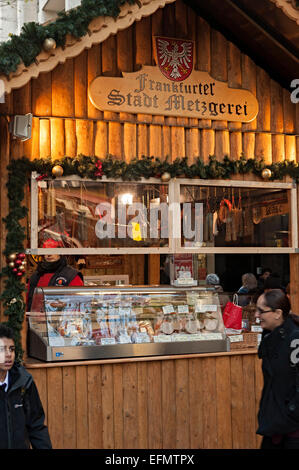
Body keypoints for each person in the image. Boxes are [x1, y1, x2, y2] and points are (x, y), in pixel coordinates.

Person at [255, 289, 299, 449]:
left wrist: (292, 411)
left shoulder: (295, 339)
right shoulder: (269, 337)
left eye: (261, 310)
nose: (256, 315)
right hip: (275, 424)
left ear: (277, 313)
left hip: (291, 430)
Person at [0, 324, 52, 449]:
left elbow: (36, 426)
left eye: (11, 349)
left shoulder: (24, 382)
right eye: (2, 349)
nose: (8, 354)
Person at [27, 238, 84, 311]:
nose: (49, 254)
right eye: (46, 251)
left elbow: (77, 305)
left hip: (62, 320)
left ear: (60, 253)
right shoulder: (36, 276)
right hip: (36, 320)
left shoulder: (71, 276)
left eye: (52, 251)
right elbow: (28, 303)